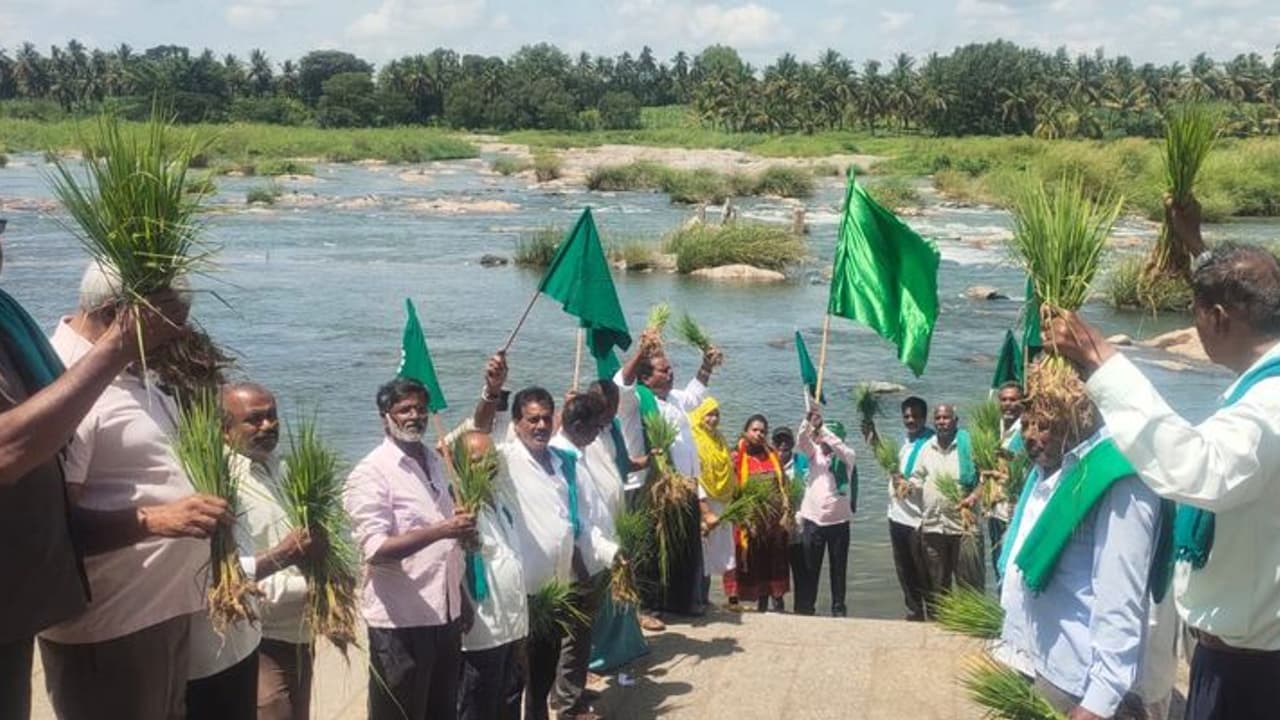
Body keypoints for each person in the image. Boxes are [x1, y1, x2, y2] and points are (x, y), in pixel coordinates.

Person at [1043, 243, 1280, 720]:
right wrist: (1195, 241)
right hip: (1240, 655)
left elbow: (1198, 468)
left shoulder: (1269, 402)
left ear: (1216, 318)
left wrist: (1101, 362)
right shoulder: (1261, 388)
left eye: (1194, 315)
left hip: (1253, 673)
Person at [0, 229, 192, 719]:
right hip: (108, 619)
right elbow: (9, 452)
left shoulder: (12, 329)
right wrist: (121, 347)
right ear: (113, 316)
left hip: (26, 606)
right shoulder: (75, 372)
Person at [38, 263, 234, 720]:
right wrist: (156, 520)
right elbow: (48, 531)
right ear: (114, 315)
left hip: (160, 612)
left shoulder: (132, 370)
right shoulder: (63, 381)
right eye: (165, 329)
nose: (176, 341)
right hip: (111, 627)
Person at [997, 389, 1163, 720]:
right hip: (1036, 660)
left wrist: (1099, 700)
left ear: (1079, 415)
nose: (1030, 437)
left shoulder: (1116, 480)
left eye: (1043, 425)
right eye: (1026, 425)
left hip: (1077, 682)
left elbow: (1120, 597)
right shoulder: (1051, 472)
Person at [470, 354, 603, 720]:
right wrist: (491, 390)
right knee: (513, 680)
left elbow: (568, 523)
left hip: (553, 591)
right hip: (519, 595)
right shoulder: (506, 459)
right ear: (516, 424)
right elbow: (478, 432)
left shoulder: (562, 462)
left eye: (547, 417)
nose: (541, 425)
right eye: (533, 419)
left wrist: (587, 567)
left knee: (544, 671)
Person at [344, 377, 475, 720]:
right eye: (404, 409)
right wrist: (442, 529)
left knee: (441, 708)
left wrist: (460, 597)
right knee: (399, 712)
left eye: (420, 408)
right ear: (385, 416)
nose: (414, 416)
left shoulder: (434, 459)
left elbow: (447, 548)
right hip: (400, 623)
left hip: (443, 614)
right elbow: (375, 548)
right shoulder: (371, 473)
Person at [221, 383, 323, 720]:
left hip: (299, 632)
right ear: (225, 430)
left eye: (273, 416)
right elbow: (232, 576)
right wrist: (308, 585)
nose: (268, 426)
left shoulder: (282, 469)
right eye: (254, 420)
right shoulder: (225, 484)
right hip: (259, 638)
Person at [613, 330, 722, 618]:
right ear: (646, 377)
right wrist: (640, 351)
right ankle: (645, 608)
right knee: (649, 547)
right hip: (646, 485)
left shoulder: (673, 398)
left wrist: (706, 365)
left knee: (682, 545)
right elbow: (621, 382)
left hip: (680, 485)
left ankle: (682, 602)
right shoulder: (634, 400)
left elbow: (694, 395)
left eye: (672, 369)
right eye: (664, 370)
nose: (671, 374)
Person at [451, 429, 528, 720]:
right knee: (477, 708)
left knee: (509, 701)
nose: (487, 466)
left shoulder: (501, 499)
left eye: (492, 459)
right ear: (458, 466)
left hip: (513, 626)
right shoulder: (456, 510)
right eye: (476, 461)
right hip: (482, 633)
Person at [907, 403, 984, 605]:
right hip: (933, 526)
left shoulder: (970, 445)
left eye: (946, 417)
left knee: (969, 585)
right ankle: (941, 629)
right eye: (938, 418)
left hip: (964, 528)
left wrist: (974, 497)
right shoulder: (927, 448)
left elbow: (987, 480)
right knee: (938, 586)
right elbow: (917, 477)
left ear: (955, 421)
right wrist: (908, 487)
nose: (942, 422)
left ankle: (972, 630)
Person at [868, 396, 931, 621]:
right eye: (906, 416)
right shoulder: (903, 440)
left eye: (915, 416)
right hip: (897, 515)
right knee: (904, 570)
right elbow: (887, 459)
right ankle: (914, 612)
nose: (910, 420)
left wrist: (910, 486)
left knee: (925, 572)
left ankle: (933, 615)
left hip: (920, 518)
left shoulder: (931, 443)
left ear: (924, 417)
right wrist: (870, 431)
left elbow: (933, 478)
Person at [794, 409, 857, 617]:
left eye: (828, 437)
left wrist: (822, 429)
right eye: (820, 439)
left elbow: (839, 447)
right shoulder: (814, 454)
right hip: (813, 521)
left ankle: (838, 609)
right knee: (810, 569)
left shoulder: (847, 456)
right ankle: (807, 607)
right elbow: (801, 440)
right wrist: (807, 422)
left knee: (838, 569)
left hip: (839, 523)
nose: (823, 442)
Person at [725, 415, 790, 613]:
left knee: (775, 562)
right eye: (755, 430)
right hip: (749, 521)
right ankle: (752, 604)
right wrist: (743, 514)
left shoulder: (772, 454)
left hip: (773, 521)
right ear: (746, 431)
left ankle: (776, 603)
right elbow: (730, 489)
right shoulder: (736, 456)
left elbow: (783, 484)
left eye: (762, 431)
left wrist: (785, 511)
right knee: (752, 562)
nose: (759, 434)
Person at [690, 397, 735, 609]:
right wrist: (704, 508)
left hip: (720, 499)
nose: (713, 419)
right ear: (700, 415)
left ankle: (705, 598)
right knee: (702, 547)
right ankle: (697, 597)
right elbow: (693, 474)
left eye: (716, 414)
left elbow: (727, 468)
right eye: (708, 413)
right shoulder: (694, 439)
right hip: (702, 500)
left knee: (715, 550)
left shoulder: (719, 439)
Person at [989, 381, 1025, 581]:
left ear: (1022, 402)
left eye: (1013, 399)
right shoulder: (995, 428)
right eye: (1004, 400)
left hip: (1014, 510)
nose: (1008, 404)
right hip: (995, 510)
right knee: (997, 564)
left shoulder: (1026, 432)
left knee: (1011, 568)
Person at [772, 426, 809, 615]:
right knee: (777, 569)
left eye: (787, 441)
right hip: (776, 526)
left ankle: (802, 608)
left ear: (793, 444)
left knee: (801, 569)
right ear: (773, 444)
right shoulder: (769, 464)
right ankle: (777, 606)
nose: (783, 445)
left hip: (799, 524)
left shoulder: (802, 462)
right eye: (778, 441)